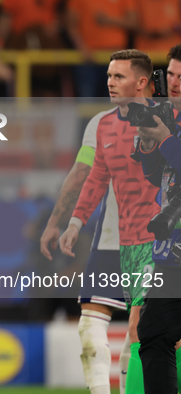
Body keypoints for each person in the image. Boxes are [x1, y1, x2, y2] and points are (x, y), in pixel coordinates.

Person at [40, 69, 153, 394]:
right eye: (109, 76)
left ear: (142, 82)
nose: (110, 82)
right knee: (93, 324)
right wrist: (63, 222)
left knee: (138, 331)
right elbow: (83, 175)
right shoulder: (102, 123)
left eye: (119, 76)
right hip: (110, 239)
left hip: (152, 243)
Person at [136, 43, 181, 394]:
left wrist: (166, 140)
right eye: (172, 75)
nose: (176, 82)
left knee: (156, 333)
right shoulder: (172, 117)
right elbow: (160, 176)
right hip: (172, 247)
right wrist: (151, 145)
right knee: (154, 333)